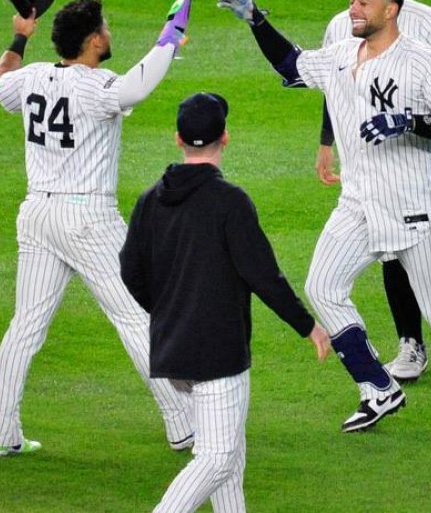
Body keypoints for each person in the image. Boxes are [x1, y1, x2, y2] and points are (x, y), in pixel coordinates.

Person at [217, 0, 431, 430]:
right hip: (359, 203)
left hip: (417, 206)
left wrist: (407, 121)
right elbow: (292, 65)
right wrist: (256, 21)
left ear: (391, 10)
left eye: (364, 3)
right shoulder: (341, 54)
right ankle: (377, 387)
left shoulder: (421, 61)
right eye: (353, 0)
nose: (353, 9)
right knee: (322, 287)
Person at [0, 0, 195, 457]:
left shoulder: (32, 76)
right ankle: (182, 423)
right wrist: (169, 39)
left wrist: (19, 37)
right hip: (87, 219)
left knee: (25, 327)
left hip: (37, 215)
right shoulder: (95, 86)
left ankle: (0, 432)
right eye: (106, 27)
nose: (110, 33)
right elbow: (136, 89)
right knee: (136, 316)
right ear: (94, 40)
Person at [120, 92, 330, 513]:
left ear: (178, 138)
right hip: (217, 354)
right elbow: (264, 276)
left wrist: (168, 310)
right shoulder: (229, 201)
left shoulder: (149, 200)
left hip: (172, 351)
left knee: (230, 453)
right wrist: (308, 325)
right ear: (226, 137)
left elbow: (130, 271)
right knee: (216, 458)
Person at [313, 0, 431, 383]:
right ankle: (410, 343)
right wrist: (327, 141)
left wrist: (409, 108)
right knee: (388, 247)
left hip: (418, 155)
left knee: (413, 258)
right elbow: (335, 84)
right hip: (367, 156)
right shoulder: (343, 24)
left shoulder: (429, 23)